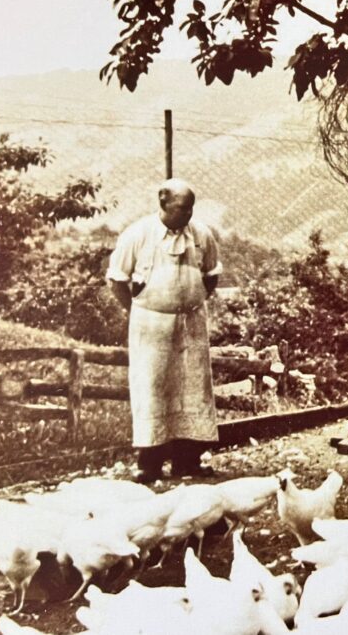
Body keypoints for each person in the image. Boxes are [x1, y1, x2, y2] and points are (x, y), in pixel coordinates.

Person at [106, 178, 222, 483]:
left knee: (193, 389)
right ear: (163, 203)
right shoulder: (138, 235)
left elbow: (211, 274)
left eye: (191, 209)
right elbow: (117, 279)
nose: (187, 215)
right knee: (152, 388)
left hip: (192, 324)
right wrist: (138, 309)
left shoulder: (201, 234)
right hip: (150, 325)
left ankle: (188, 461)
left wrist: (191, 299)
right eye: (182, 209)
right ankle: (150, 465)